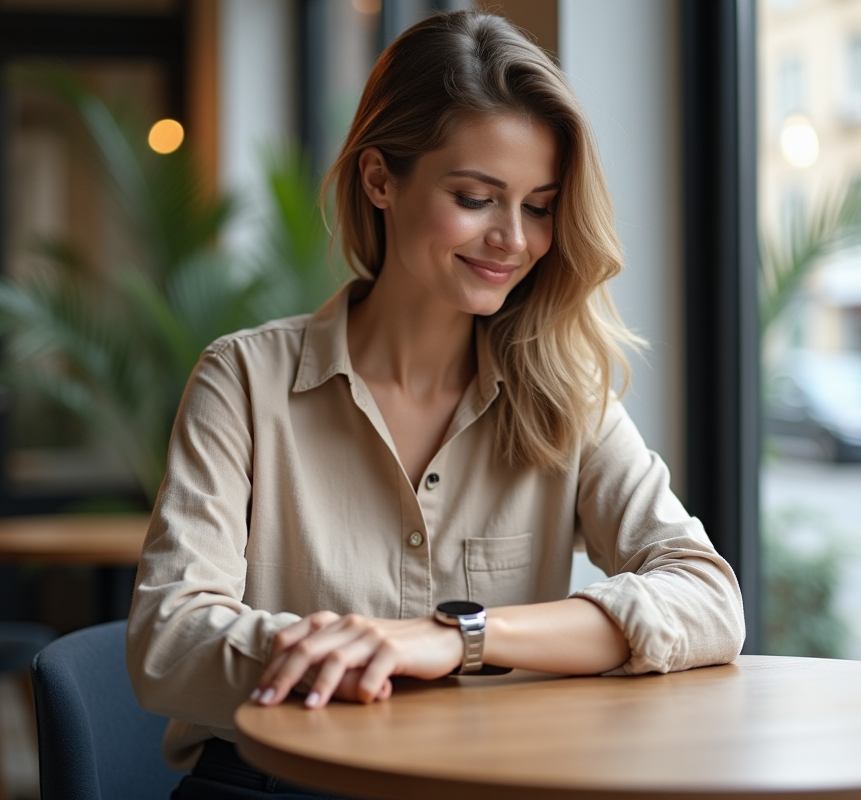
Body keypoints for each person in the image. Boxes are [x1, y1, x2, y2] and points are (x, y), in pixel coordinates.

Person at [127, 10, 745, 799]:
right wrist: (369, 658)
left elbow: (707, 598)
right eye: (476, 197)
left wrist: (455, 640)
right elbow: (169, 642)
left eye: (540, 205)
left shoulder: (563, 395)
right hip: (278, 785)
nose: (513, 240)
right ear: (380, 179)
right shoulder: (243, 381)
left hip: (491, 781)